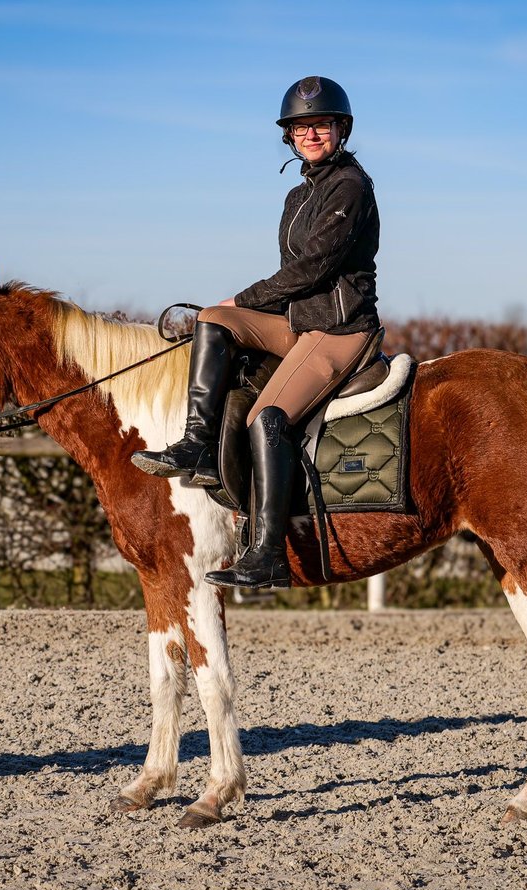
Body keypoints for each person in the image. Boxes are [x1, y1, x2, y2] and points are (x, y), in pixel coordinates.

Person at [131, 75, 381, 590]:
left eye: (321, 126)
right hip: (297, 325)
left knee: (268, 417)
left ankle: (266, 552)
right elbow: (292, 281)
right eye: (301, 127)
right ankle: (197, 444)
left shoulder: (351, 187)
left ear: (342, 129)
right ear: (289, 136)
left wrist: (243, 299)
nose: (311, 135)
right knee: (211, 320)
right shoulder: (296, 196)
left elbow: (312, 268)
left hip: (339, 332)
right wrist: (234, 311)